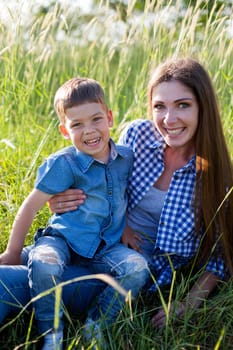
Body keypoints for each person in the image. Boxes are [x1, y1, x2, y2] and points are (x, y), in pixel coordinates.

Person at [48, 57, 233, 327]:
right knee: (36, 265)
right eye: (160, 106)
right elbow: (98, 175)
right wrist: (60, 195)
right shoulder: (139, 135)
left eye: (183, 105)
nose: (169, 119)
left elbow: (221, 256)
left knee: (24, 286)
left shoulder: (219, 177)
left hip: (131, 274)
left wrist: (189, 302)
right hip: (91, 236)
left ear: (202, 107)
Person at [0, 77, 149, 349]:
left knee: (137, 268)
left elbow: (121, 197)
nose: (89, 131)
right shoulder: (64, 164)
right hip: (62, 239)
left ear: (110, 117)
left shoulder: (126, 158)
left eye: (96, 119)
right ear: (64, 131)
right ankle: (52, 333)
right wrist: (12, 252)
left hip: (106, 246)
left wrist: (125, 226)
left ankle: (96, 324)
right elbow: (30, 206)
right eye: (77, 124)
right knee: (44, 262)